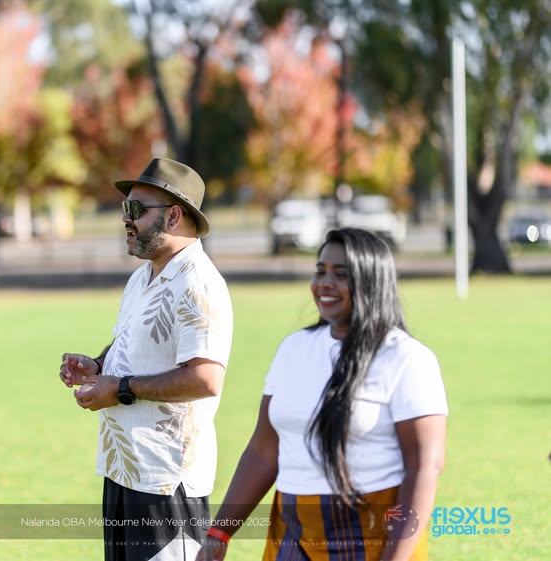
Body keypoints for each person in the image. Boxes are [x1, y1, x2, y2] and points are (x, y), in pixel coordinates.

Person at [196, 228, 448, 561]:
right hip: (293, 531)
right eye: (320, 271)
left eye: (341, 274)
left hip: (371, 535)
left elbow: (424, 467)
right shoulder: (294, 349)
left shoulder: (407, 358)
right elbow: (263, 450)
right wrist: (219, 533)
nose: (325, 283)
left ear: (372, 281)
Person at [59, 158, 234, 561]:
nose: (126, 219)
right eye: (125, 209)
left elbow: (205, 378)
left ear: (174, 216)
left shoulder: (198, 283)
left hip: (165, 482)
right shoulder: (144, 275)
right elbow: (134, 344)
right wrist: (100, 366)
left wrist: (119, 388)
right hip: (124, 473)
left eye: (136, 209)